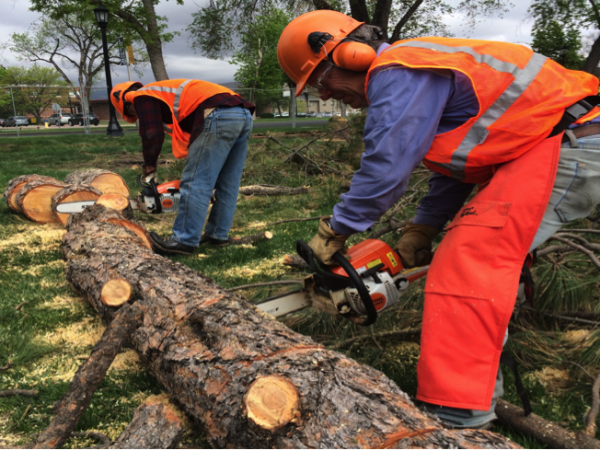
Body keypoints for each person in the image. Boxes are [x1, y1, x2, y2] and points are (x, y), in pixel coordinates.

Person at [277, 10, 600, 429]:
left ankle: (456, 413)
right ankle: (486, 358)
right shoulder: (421, 68)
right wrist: (421, 231)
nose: (331, 95)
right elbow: (457, 169)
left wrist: (335, 230)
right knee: (474, 248)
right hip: (555, 142)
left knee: (472, 256)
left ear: (350, 54)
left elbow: (385, 167)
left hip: (572, 140)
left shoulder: (400, 68)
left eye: (322, 83)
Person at [110, 79, 255, 255]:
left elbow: (151, 134)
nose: (137, 115)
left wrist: (149, 165)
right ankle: (218, 235)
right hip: (243, 114)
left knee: (196, 182)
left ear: (125, 102)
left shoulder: (141, 96)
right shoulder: (161, 93)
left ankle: (184, 240)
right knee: (229, 182)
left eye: (133, 113)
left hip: (218, 114)